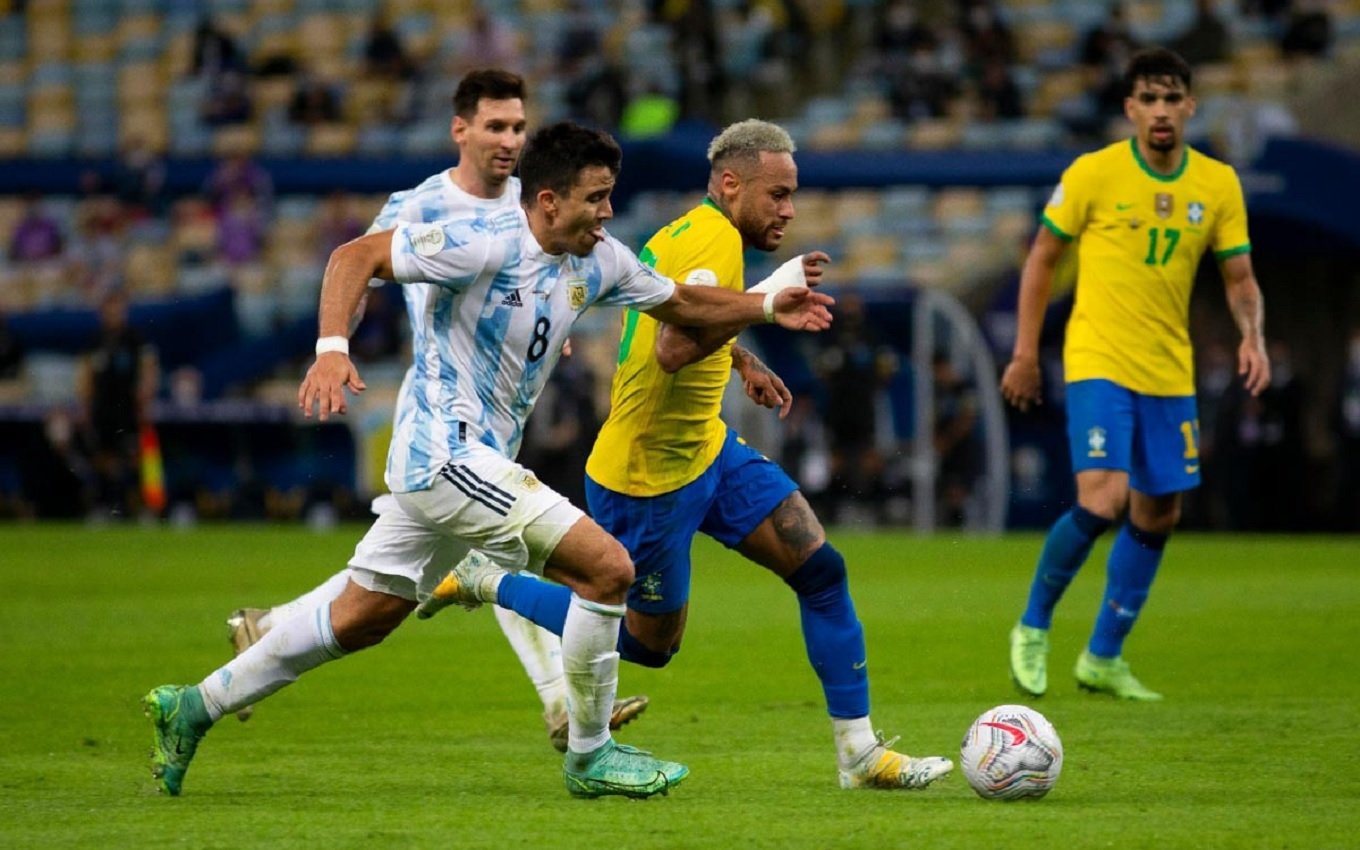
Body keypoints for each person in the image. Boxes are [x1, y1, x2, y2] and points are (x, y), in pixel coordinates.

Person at [142, 120, 835, 799]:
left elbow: (683, 304)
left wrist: (764, 309)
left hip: (471, 464)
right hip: (442, 454)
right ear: (548, 200)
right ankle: (591, 754)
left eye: (610, 196)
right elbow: (352, 258)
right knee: (608, 569)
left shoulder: (598, 259)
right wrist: (331, 349)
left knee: (360, 618)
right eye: (594, 198)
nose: (607, 212)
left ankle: (192, 707)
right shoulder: (478, 245)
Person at [418, 119, 953, 791]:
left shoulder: (686, 234)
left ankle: (859, 753)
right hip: (649, 477)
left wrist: (743, 358)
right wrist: (760, 308)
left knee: (821, 571)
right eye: (778, 195)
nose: (788, 210)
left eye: (793, 195)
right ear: (732, 185)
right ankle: (487, 580)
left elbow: (680, 316)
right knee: (649, 643)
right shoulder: (716, 242)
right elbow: (674, 349)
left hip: (706, 450)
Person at [221, 71, 648, 748]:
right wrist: (337, 347)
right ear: (461, 129)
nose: (509, 140)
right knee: (501, 552)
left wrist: (548, 326)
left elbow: (553, 279)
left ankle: (268, 631)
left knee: (386, 591)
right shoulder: (418, 206)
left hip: (508, 405)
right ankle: (567, 707)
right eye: (495, 126)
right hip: (443, 416)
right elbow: (359, 270)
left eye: (518, 127)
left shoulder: (533, 200)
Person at [1000, 48, 1271, 701]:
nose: (1159, 111)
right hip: (1097, 357)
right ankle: (1033, 626)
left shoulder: (1217, 185)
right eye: (1147, 98)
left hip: (1168, 371)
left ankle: (1102, 657)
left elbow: (1239, 278)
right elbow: (1041, 259)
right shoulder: (1093, 174)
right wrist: (1026, 351)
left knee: (1159, 511)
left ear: (1189, 106)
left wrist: (1253, 337)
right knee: (1104, 497)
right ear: (1129, 109)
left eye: (1171, 97)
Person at [77, 289, 159, 519]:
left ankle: (143, 507)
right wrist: (84, 403)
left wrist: (145, 397)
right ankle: (108, 505)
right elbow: (85, 373)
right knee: (103, 457)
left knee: (135, 457)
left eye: (118, 307)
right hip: (103, 406)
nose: (114, 312)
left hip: (128, 406)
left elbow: (148, 367)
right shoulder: (95, 339)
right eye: (109, 307)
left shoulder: (134, 337)